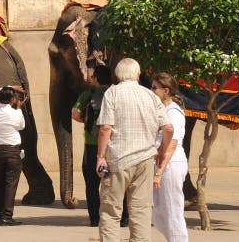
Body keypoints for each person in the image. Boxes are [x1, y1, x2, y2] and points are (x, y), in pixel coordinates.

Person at [96, 58, 173, 242]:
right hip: (145, 161)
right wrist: (162, 151)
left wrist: (100, 157)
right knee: (141, 212)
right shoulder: (151, 96)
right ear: (138, 75)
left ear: (117, 75)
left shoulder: (112, 93)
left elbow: (105, 127)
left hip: (117, 160)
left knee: (111, 212)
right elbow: (168, 128)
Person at [72, 65, 127, 228]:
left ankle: (95, 219)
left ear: (95, 78)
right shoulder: (116, 94)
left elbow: (75, 113)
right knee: (118, 182)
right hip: (114, 146)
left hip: (92, 147)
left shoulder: (87, 95)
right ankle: (123, 218)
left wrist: (88, 123)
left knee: (92, 184)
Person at [150, 73, 189, 242]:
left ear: (165, 91)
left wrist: (159, 171)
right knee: (157, 213)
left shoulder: (174, 112)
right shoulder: (162, 110)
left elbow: (171, 145)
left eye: (154, 88)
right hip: (161, 162)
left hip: (170, 164)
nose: (151, 91)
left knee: (173, 212)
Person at [0, 85, 28, 226]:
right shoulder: (15, 113)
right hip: (12, 152)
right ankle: (6, 216)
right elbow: (22, 126)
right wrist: (19, 107)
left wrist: (9, 87)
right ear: (12, 99)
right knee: (10, 184)